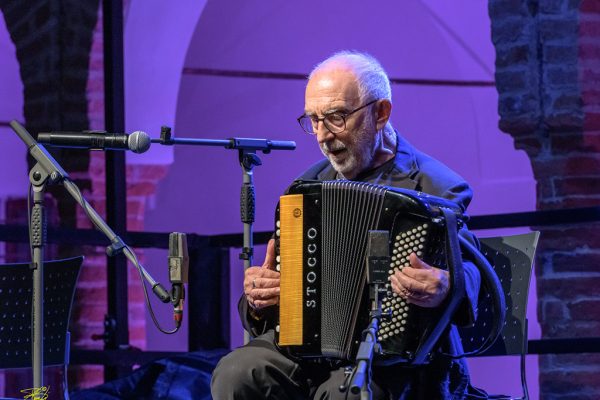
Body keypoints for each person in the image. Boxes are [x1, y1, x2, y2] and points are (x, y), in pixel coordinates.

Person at [211, 51, 482, 399]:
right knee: (237, 373)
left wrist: (445, 286)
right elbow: (278, 294)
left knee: (347, 394)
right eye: (314, 120)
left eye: (337, 117)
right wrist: (259, 298)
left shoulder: (437, 187)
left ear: (380, 113)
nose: (323, 135)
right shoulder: (304, 189)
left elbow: (476, 272)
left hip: (398, 359)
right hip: (310, 349)